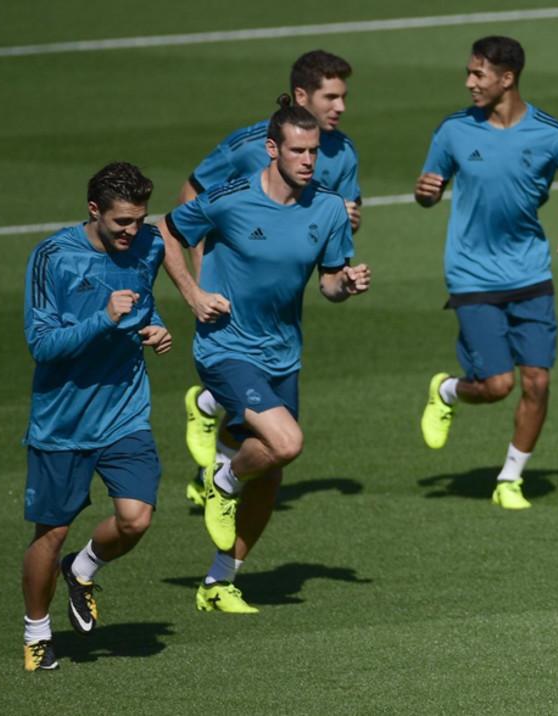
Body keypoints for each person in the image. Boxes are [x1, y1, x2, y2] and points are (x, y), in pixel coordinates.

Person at [159, 99, 371, 614]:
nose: (307, 161)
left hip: (282, 355)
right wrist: (192, 295)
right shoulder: (230, 199)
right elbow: (163, 230)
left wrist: (345, 284)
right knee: (286, 443)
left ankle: (219, 581)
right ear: (272, 150)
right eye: (297, 151)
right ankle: (220, 478)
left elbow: (327, 285)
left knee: (271, 473)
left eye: (314, 152)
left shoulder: (327, 207)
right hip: (226, 347)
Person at [414, 35, 558, 510]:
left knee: (537, 382)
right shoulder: (454, 131)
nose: (469, 82)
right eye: (469, 73)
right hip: (472, 275)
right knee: (497, 386)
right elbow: (428, 191)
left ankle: (509, 478)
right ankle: (447, 390)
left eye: (477, 74)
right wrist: (426, 192)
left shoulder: (552, 135)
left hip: (529, 273)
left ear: (507, 78)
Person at [178, 50, 362, 507]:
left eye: (344, 97)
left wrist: (344, 231)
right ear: (301, 96)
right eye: (331, 96)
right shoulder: (247, 146)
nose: (340, 106)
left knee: (267, 447)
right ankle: (218, 468)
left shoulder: (344, 155)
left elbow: (331, 240)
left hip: (280, 334)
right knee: (280, 436)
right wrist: (200, 282)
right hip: (229, 319)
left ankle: (212, 425)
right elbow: (190, 201)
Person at [21, 162, 172, 671]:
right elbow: (42, 346)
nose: (134, 232)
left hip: (125, 410)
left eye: (140, 219)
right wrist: (104, 320)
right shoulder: (53, 257)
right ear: (94, 211)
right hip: (63, 420)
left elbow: (144, 306)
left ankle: (83, 569)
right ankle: (37, 632)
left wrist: (155, 328)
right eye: (122, 222)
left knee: (136, 518)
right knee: (51, 531)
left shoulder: (149, 246)